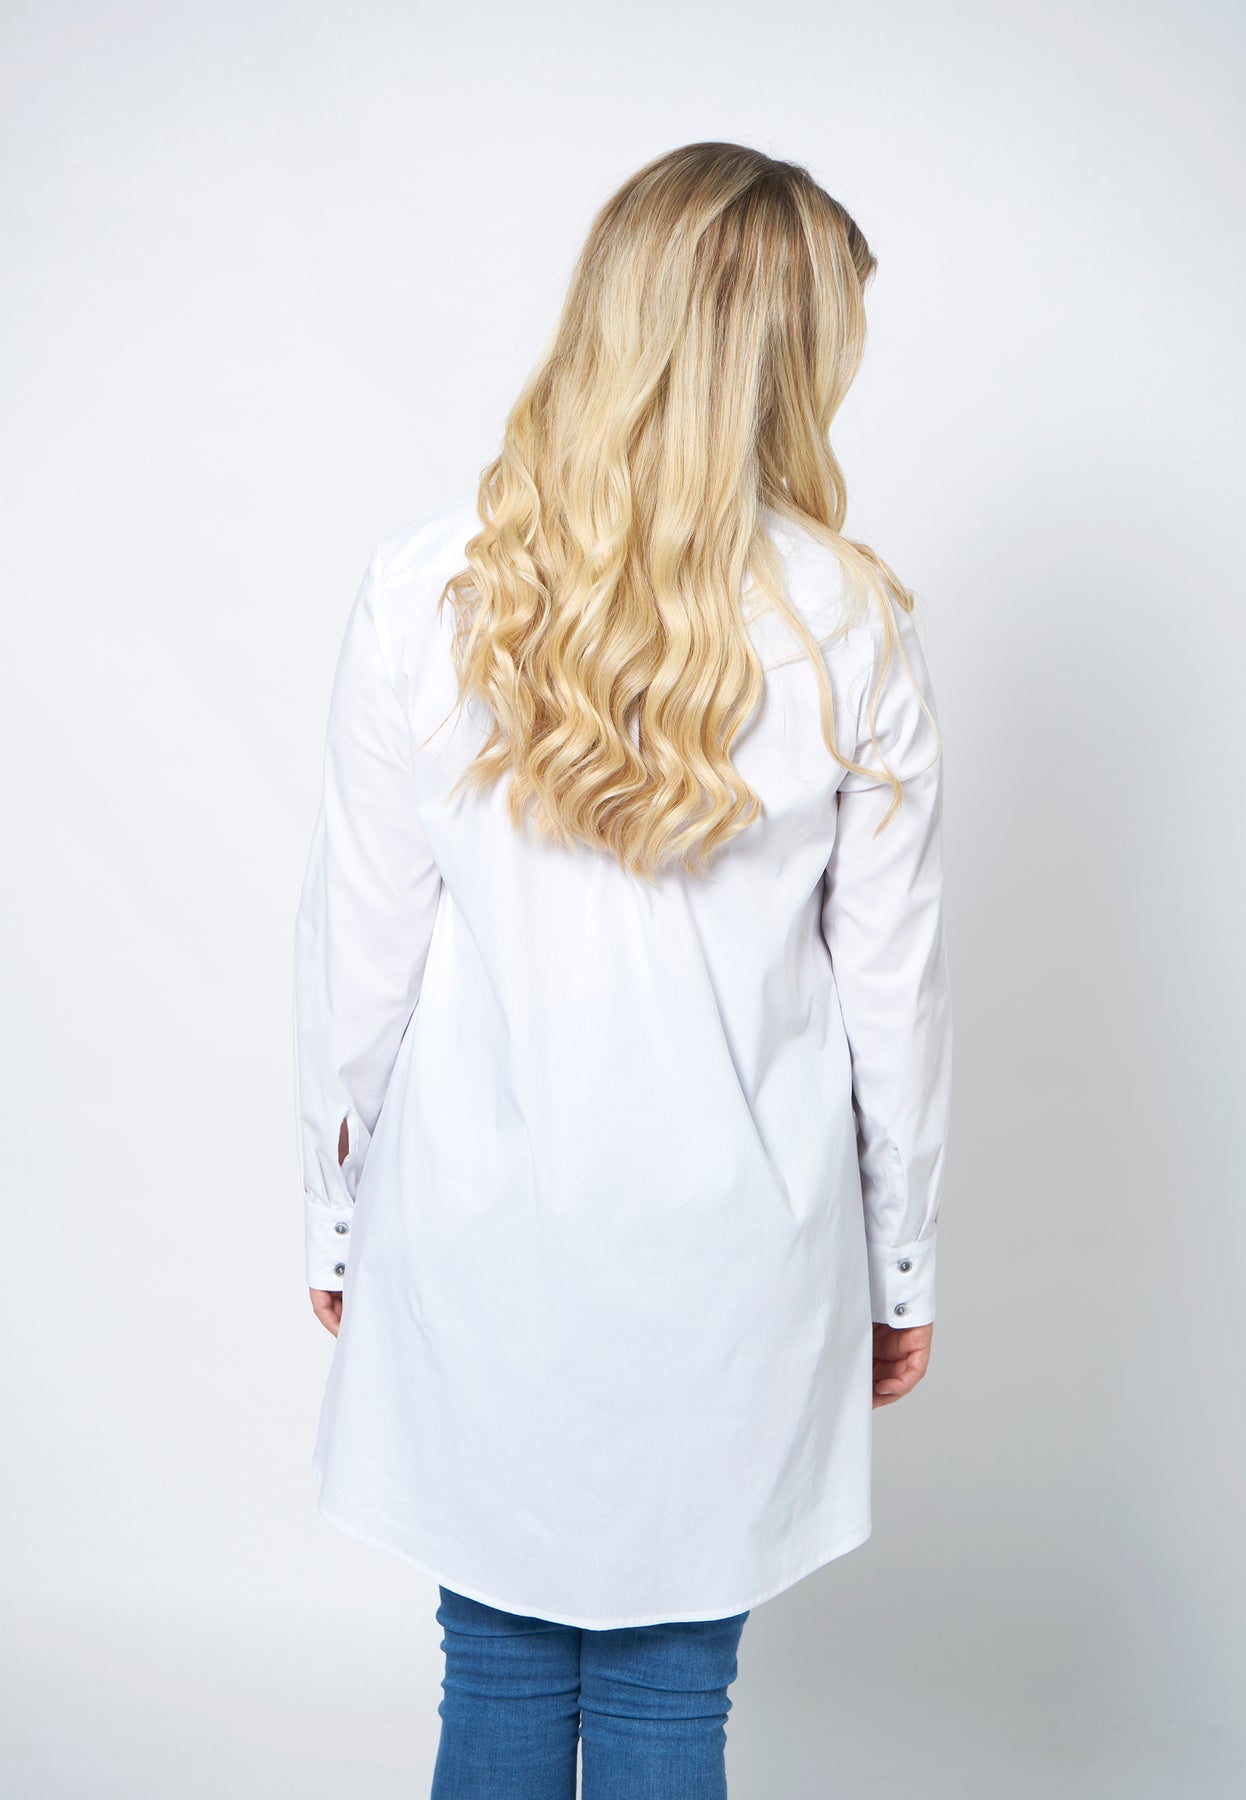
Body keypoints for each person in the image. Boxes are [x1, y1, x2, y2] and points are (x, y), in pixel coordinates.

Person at [292, 140, 953, 1800]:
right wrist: (898, 1264)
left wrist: (336, 1214)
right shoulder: (850, 623)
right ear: (792, 354)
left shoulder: (429, 591)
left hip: (479, 1221)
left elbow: (359, 957)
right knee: (671, 1690)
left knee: (496, 1660)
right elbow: (889, 998)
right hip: (739, 1244)